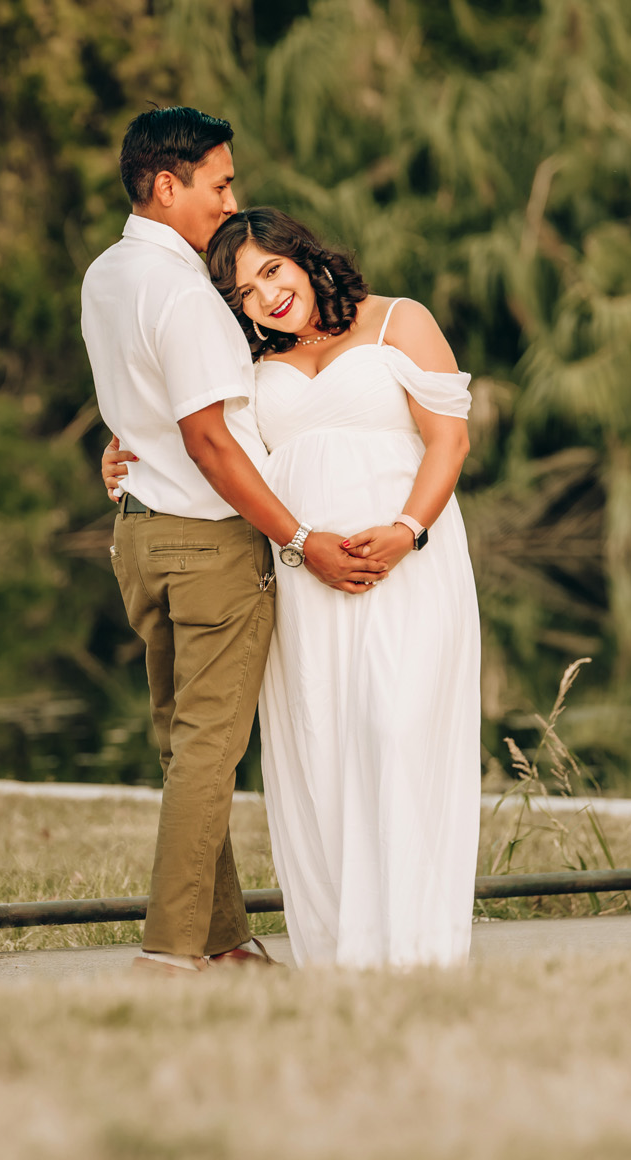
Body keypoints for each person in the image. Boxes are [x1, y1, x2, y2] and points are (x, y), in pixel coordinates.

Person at [103, 206, 481, 969]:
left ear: (305, 258)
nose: (266, 296)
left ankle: (416, 946)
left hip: (407, 564)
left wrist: (408, 530)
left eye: (272, 270)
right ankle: (343, 947)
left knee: (397, 728)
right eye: (244, 292)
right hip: (306, 578)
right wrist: (119, 457)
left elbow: (450, 439)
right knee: (321, 746)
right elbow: (201, 443)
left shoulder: (398, 322)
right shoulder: (244, 369)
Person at [80, 109, 385, 977]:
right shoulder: (180, 289)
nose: (231, 199)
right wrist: (299, 540)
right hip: (209, 547)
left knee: (184, 747)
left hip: (140, 538)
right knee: (209, 752)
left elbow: (140, 406)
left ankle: (220, 943)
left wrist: (122, 449)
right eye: (219, 184)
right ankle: (172, 957)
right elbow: (211, 439)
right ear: (167, 185)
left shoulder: (107, 274)